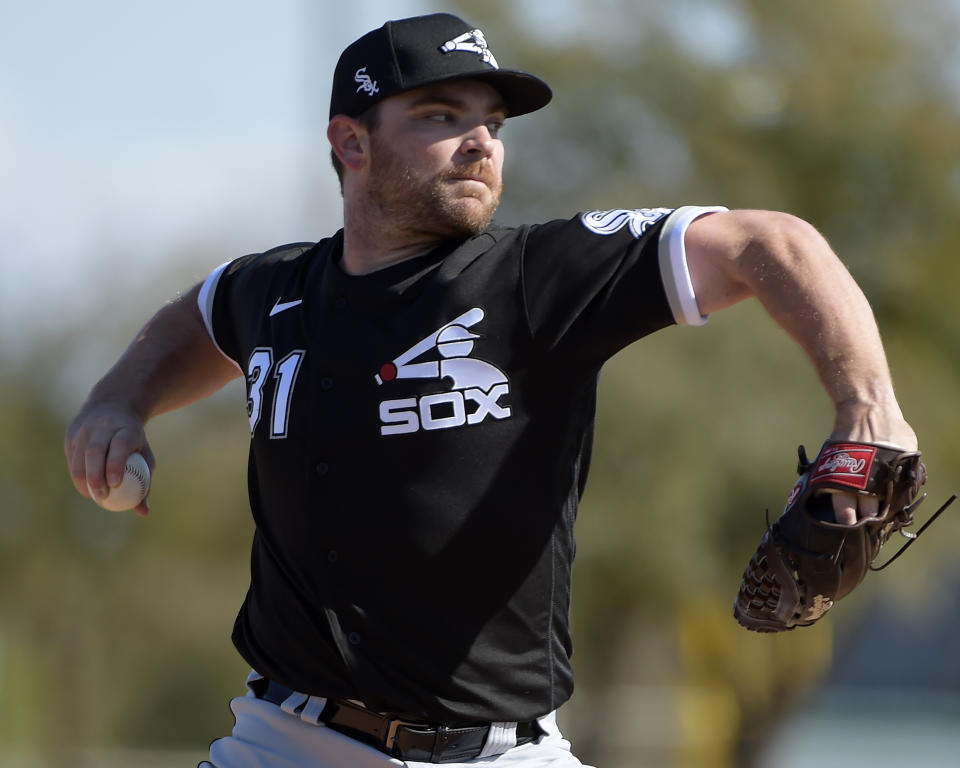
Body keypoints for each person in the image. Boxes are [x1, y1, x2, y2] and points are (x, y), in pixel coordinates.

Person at [64, 12, 919, 767]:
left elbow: (768, 241)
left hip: (497, 754)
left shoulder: (537, 277)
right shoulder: (274, 290)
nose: (482, 142)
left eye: (494, 122)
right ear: (350, 143)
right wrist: (117, 401)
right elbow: (199, 316)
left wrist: (867, 406)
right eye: (442, 117)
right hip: (284, 741)